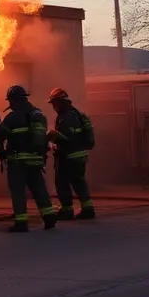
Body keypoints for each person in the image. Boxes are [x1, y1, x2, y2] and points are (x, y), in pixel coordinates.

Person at [0, 84, 57, 233]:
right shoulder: (39, 115)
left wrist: (0, 150)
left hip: (18, 161)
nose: (9, 104)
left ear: (14, 100)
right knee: (39, 189)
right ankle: (49, 218)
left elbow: (0, 136)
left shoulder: (12, 117)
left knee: (18, 191)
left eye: (10, 101)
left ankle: (21, 223)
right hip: (36, 160)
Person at [48, 87, 96, 221]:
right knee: (79, 182)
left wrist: (53, 136)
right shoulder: (76, 114)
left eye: (55, 104)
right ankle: (88, 208)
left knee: (62, 183)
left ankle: (67, 211)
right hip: (79, 155)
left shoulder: (67, 118)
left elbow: (68, 138)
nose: (54, 107)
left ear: (62, 102)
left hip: (68, 156)